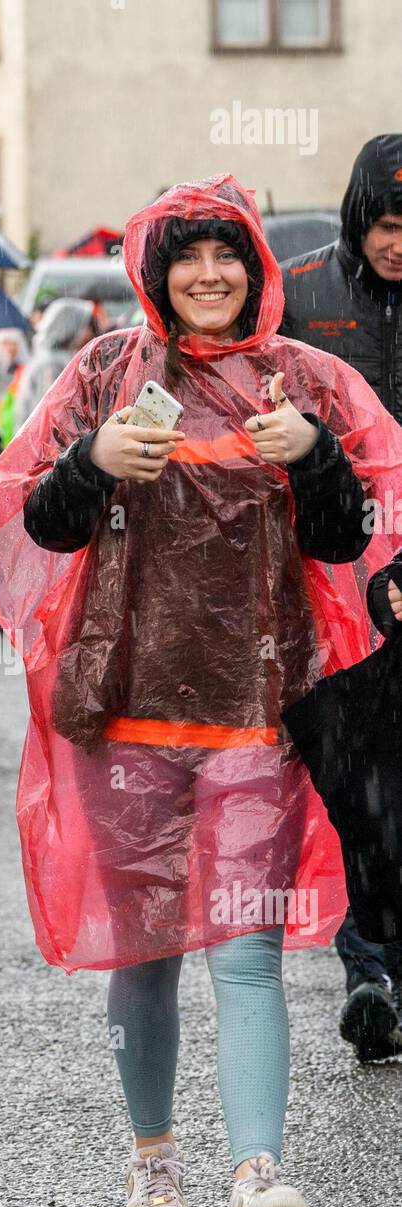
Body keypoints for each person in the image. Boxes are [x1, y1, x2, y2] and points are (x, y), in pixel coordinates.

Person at [0, 174, 402, 1207]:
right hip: (125, 720)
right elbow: (38, 520)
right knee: (149, 956)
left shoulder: (301, 379)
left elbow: (349, 534)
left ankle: (257, 1175)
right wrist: (88, 461)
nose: (207, 275)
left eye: (227, 257)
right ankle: (152, 1160)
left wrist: (310, 455)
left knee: (245, 953)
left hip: (255, 721)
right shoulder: (107, 372)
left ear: (254, 271)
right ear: (155, 272)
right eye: (186, 257)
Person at [280, 133, 402, 1062]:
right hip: (332, 575)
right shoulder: (300, 292)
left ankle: (379, 965)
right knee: (351, 780)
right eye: (388, 226)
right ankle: (368, 959)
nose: (399, 245)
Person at [13, 297, 101, 431]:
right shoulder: (51, 364)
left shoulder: (52, 357)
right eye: (86, 326)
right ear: (69, 326)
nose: (88, 333)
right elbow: (52, 417)